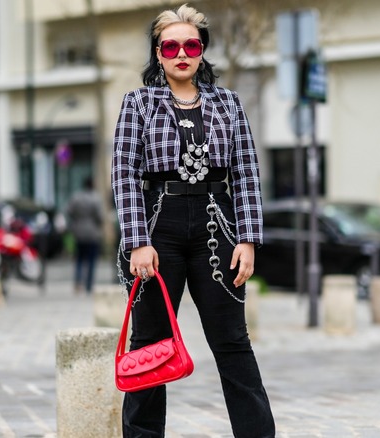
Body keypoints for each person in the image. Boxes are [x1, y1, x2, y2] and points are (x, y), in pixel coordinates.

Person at [112, 4, 275, 437]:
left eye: (191, 44)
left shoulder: (228, 103)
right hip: (157, 226)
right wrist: (136, 241)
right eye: (171, 46)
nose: (181, 53)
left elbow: (246, 171)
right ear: (158, 53)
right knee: (150, 344)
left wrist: (249, 238)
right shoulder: (139, 103)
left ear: (201, 51)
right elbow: (125, 173)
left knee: (232, 341)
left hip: (216, 226)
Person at [67, 176, 103, 294]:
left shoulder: (76, 197)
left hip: (78, 232)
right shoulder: (96, 198)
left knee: (79, 260)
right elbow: (99, 217)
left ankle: (78, 283)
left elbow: (69, 212)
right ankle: (88, 285)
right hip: (92, 233)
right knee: (91, 260)